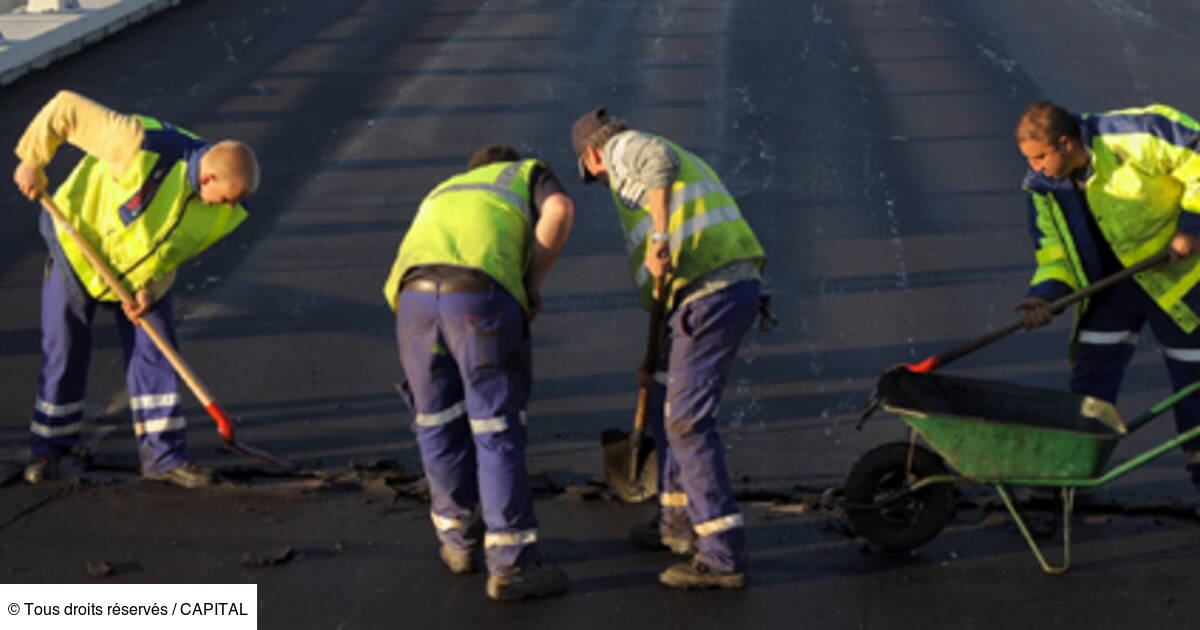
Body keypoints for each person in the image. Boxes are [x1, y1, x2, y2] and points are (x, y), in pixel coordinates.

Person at [13, 90, 258, 489]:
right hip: (77, 248)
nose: (228, 208)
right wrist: (32, 160)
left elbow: (172, 251)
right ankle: (49, 449)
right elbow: (64, 108)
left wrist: (151, 286)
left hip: (135, 274)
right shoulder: (138, 143)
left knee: (157, 347)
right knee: (65, 347)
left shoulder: (216, 209)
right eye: (226, 198)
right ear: (208, 177)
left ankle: (163, 456)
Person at [571, 108, 766, 590]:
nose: (599, 180)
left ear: (593, 152)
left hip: (711, 289)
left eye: (590, 171)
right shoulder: (639, 165)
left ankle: (721, 554)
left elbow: (656, 161)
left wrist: (660, 237)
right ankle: (677, 526)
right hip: (698, 297)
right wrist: (652, 355)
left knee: (687, 422)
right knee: (662, 403)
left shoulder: (626, 149)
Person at [382, 144, 574, 601]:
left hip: (413, 299)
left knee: (435, 420)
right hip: (476, 296)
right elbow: (560, 210)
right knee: (494, 425)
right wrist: (530, 284)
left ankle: (459, 543)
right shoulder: (525, 174)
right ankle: (511, 566)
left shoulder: (445, 189)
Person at [1013, 100, 1200, 492]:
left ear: (1066, 143)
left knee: (1193, 387)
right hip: (1110, 289)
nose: (1034, 167)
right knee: (1091, 381)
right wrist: (1044, 296)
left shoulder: (1135, 134)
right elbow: (1055, 254)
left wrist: (1192, 224)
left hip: (1179, 284)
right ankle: (1072, 480)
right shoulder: (1043, 188)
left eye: (1040, 156)